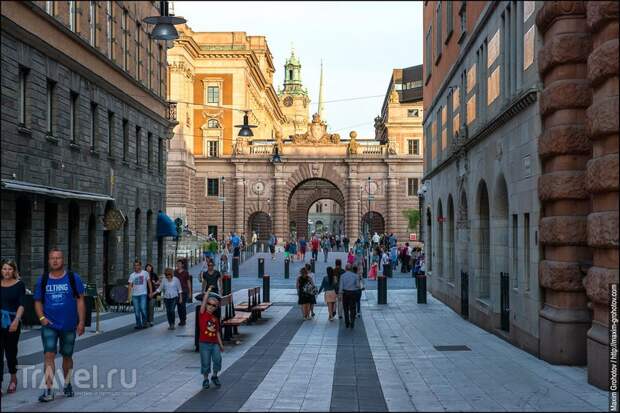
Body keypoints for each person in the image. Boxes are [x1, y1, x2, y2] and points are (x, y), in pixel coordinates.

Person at [34, 248, 85, 402]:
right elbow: (37, 301)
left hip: (69, 325)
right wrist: (42, 318)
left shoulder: (72, 278)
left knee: (67, 356)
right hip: (49, 324)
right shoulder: (43, 279)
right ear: (48, 261)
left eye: (58, 258)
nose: (55, 260)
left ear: (63, 260)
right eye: (52, 258)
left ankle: (67, 383)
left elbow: (80, 300)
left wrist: (81, 322)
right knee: (48, 354)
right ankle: (48, 389)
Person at [1, 260, 25, 396]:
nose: (6, 272)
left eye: (9, 269)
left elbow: (22, 304)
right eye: (4, 269)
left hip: (12, 321)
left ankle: (13, 378)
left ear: (14, 270)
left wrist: (16, 320)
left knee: (11, 352)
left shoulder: (19, 285)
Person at [199, 292, 224, 389]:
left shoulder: (215, 319)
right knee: (205, 362)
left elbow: (217, 332)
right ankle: (205, 379)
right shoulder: (202, 314)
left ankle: (214, 376)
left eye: (214, 305)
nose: (210, 306)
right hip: (204, 343)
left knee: (218, 359)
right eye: (209, 304)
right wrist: (208, 292)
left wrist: (221, 344)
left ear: (216, 308)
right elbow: (204, 302)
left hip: (214, 344)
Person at [128, 260, 149, 329]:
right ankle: (138, 324)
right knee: (136, 311)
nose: (136, 266)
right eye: (135, 265)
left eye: (137, 265)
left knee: (143, 309)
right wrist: (129, 296)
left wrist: (151, 292)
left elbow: (149, 283)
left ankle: (144, 323)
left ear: (140, 266)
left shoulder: (145, 273)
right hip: (135, 295)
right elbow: (130, 286)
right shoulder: (132, 275)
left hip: (143, 294)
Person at [174, 259, 191, 326]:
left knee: (182, 305)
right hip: (176, 291)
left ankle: (183, 319)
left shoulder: (186, 272)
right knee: (178, 306)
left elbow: (188, 282)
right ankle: (181, 319)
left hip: (184, 291)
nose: (178, 265)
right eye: (177, 263)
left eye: (179, 264)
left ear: (182, 265)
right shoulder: (175, 272)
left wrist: (190, 292)